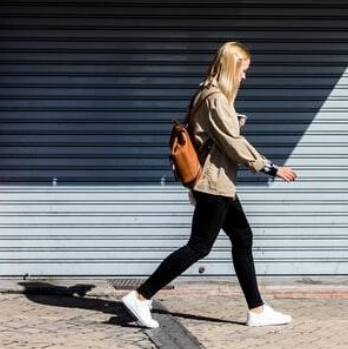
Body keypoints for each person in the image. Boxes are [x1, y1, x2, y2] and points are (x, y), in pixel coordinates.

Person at [122, 41, 298, 329]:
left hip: (219, 183)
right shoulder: (216, 99)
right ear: (231, 67)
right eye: (243, 70)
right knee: (199, 246)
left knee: (242, 237)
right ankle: (141, 296)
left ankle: (257, 309)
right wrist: (271, 168)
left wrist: (233, 124)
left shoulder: (208, 94)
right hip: (213, 184)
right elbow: (233, 145)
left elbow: (218, 135)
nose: (245, 76)